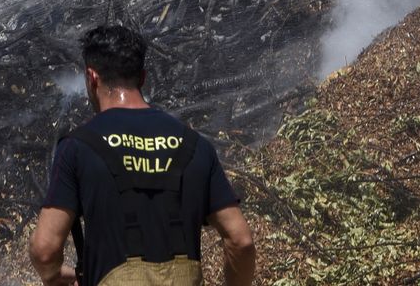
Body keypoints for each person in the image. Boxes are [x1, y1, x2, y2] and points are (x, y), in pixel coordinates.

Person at [30, 25, 257, 286]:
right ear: (143, 77)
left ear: (92, 78)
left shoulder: (77, 147)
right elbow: (241, 241)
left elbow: (44, 249)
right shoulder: (195, 145)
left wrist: (54, 276)